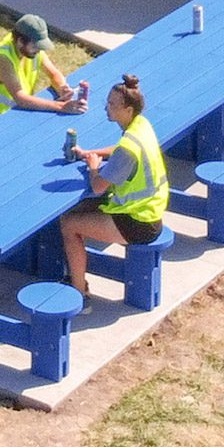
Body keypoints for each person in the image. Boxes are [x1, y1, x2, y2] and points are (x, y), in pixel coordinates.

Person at [59, 73, 168, 308]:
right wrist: (92, 151)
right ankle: (76, 268)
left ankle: (79, 292)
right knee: (80, 210)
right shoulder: (142, 125)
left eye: (112, 105)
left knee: (69, 224)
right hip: (150, 212)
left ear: (127, 109)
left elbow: (98, 187)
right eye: (107, 102)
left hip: (137, 223)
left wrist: (94, 168)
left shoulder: (129, 148)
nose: (107, 108)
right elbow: (119, 150)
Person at [0, 13, 87, 125]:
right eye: (36, 46)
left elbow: (53, 73)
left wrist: (62, 87)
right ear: (21, 41)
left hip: (17, 114)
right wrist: (61, 107)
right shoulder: (2, 60)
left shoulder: (29, 49)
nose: (39, 50)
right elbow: (20, 98)